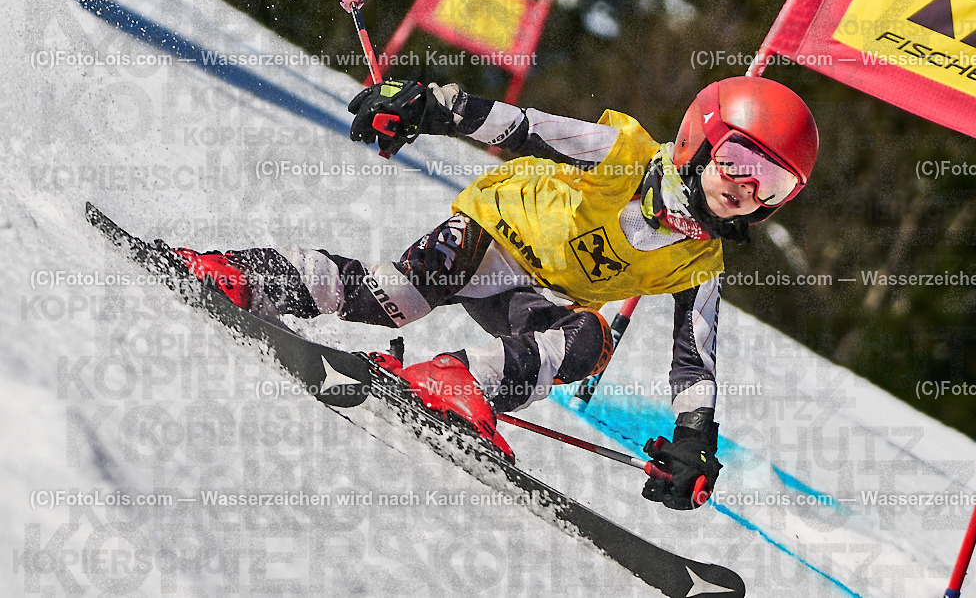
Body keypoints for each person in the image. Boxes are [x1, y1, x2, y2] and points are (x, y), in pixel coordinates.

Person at [173, 75, 818, 510]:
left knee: (588, 340)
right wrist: (431, 108)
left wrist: (695, 438)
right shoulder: (624, 154)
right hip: (493, 232)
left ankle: (458, 383)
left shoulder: (700, 262)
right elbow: (523, 128)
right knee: (392, 299)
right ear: (701, 137)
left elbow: (694, 360)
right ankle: (242, 276)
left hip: (537, 297)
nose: (746, 189)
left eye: (773, 184)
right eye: (741, 160)